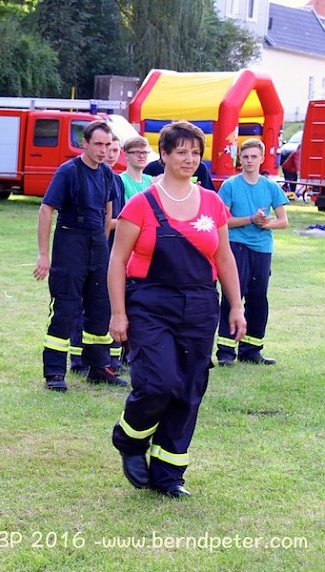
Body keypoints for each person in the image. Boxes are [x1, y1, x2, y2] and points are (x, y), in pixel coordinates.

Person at [108, 121, 246, 498]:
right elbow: (117, 261)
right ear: (164, 155)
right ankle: (130, 440)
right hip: (150, 304)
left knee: (189, 388)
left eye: (195, 153)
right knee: (158, 383)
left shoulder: (212, 203)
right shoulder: (141, 204)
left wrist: (236, 305)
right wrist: (118, 313)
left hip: (200, 305)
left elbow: (224, 258)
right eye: (181, 151)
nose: (189, 158)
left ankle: (168, 475)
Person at [33, 120, 126, 393]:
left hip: (98, 244)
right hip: (70, 243)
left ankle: (98, 367)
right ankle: (54, 372)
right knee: (65, 307)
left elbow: (109, 211)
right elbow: (46, 210)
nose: (103, 150)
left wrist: (105, 243)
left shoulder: (107, 173)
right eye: (98, 144)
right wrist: (43, 255)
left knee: (100, 307)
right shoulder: (68, 171)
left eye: (108, 145)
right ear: (84, 143)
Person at [216, 139, 288, 367]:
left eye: (254, 156)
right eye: (245, 156)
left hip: (263, 249)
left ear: (262, 159)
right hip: (236, 247)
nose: (249, 161)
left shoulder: (271, 187)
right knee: (233, 297)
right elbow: (223, 221)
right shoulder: (230, 185)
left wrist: (266, 223)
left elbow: (283, 221)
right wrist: (250, 219)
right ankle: (226, 351)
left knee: (258, 299)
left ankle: (252, 350)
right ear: (239, 158)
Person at [69, 134, 126, 375]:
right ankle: (78, 359)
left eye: (114, 149)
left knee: (104, 305)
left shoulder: (115, 180)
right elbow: (107, 219)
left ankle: (106, 361)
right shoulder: (79, 173)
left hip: (110, 250)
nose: (109, 153)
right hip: (88, 247)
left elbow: (115, 214)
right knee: (80, 305)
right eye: (104, 147)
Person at [144, 151, 214, 190]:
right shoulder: (152, 168)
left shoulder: (200, 167)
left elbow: (209, 198)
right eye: (181, 153)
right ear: (164, 154)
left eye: (195, 153)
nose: (189, 160)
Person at [120, 136, 153, 202]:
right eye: (137, 152)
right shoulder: (120, 181)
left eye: (145, 152)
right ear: (126, 155)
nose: (141, 156)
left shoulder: (151, 180)